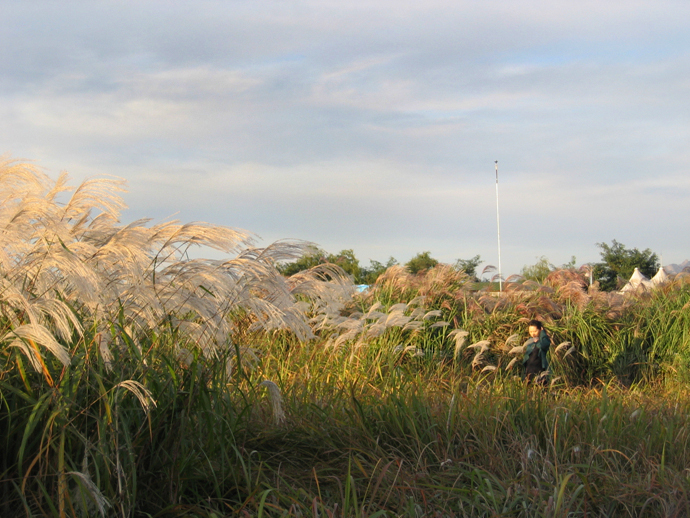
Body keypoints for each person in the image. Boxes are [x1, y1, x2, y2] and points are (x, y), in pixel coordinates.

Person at [523, 319, 550, 383]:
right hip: (529, 372)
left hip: (540, 372)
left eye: (535, 331)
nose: (533, 334)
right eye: (530, 331)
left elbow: (545, 345)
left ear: (540, 329)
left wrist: (543, 333)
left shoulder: (543, 340)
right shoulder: (529, 342)